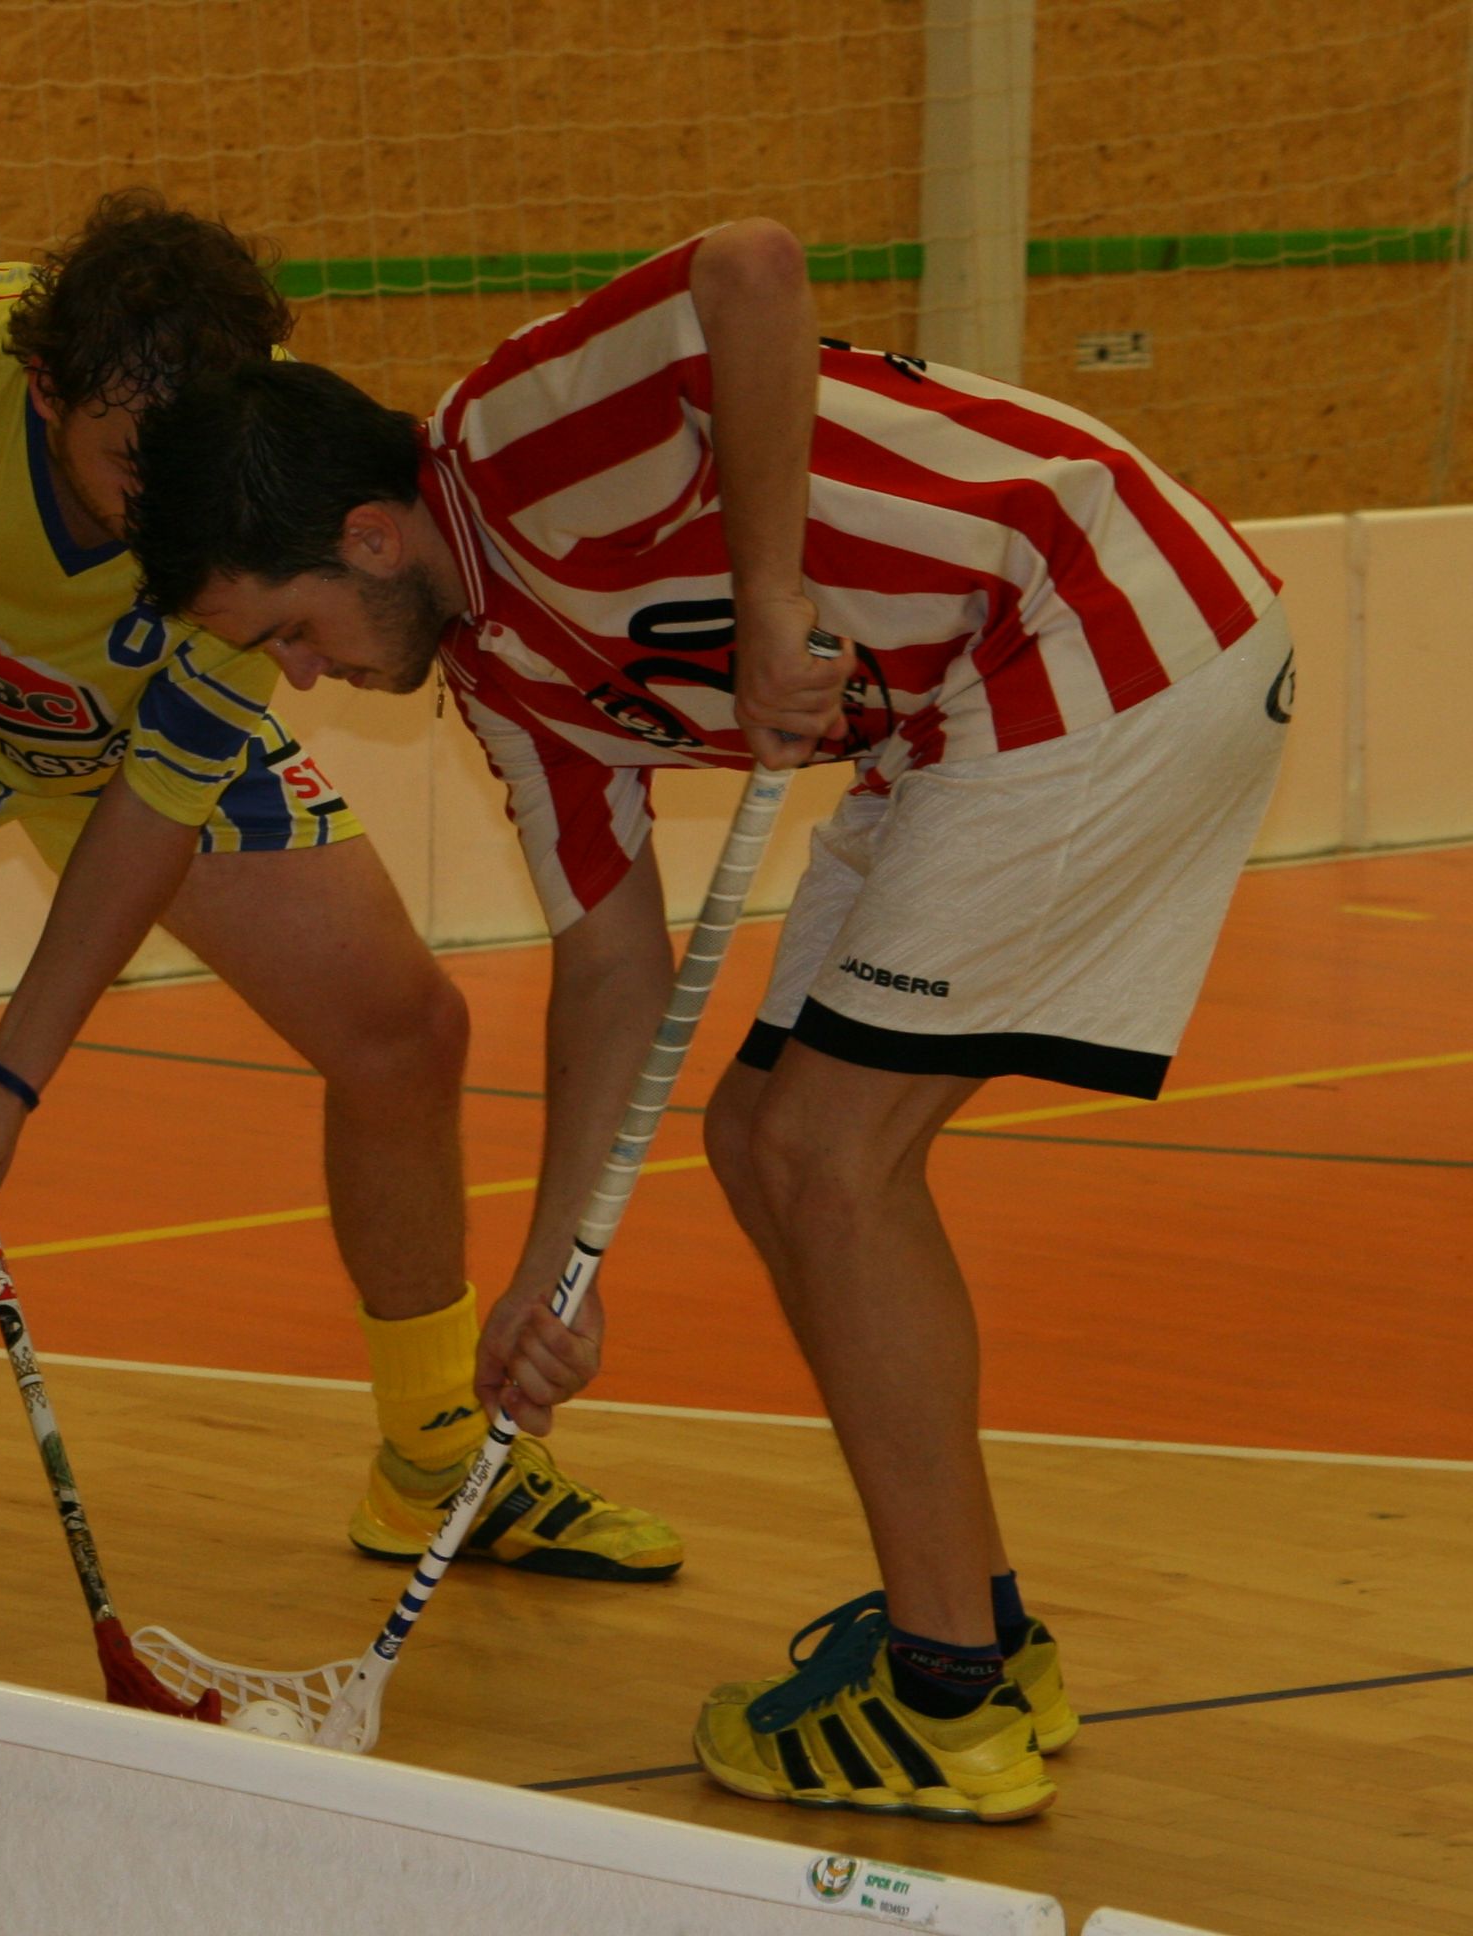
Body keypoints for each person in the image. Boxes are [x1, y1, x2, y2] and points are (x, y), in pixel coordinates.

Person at [113, 217, 1292, 1821]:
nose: (301, 678)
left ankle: (946, 1693)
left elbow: (749, 269)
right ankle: (978, 1629)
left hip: (1098, 630)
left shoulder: (509, 444)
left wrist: (766, 590)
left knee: (826, 1157)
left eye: (287, 631)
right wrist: (553, 1278)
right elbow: (613, 963)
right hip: (957, 718)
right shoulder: (506, 687)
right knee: (760, 1138)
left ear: (373, 537)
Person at [0, 189, 682, 1620]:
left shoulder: (248, 475)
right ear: (43, 388)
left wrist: (14, 1074)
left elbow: (149, 813)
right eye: (125, 460)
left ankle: (434, 1459)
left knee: (403, 1029)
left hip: (122, 731)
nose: (166, 501)